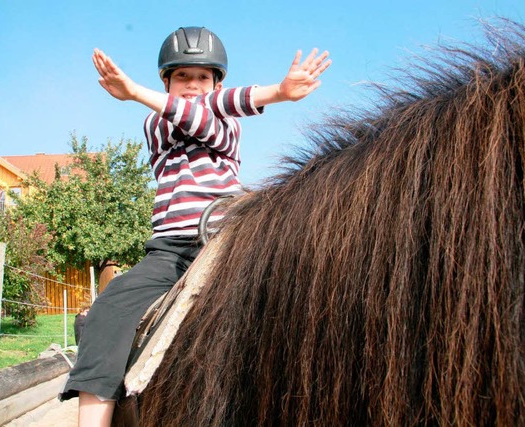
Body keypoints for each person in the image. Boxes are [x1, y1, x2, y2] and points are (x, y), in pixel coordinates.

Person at [59, 26, 331, 426]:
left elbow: (212, 111)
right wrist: (138, 93)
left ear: (217, 83)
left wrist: (277, 91)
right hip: (169, 252)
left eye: (203, 77)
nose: (193, 85)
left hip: (226, 244)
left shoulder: (228, 127)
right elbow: (189, 115)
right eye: (182, 76)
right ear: (165, 82)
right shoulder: (156, 126)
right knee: (108, 308)